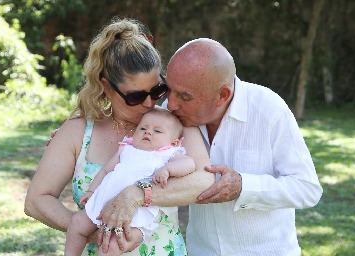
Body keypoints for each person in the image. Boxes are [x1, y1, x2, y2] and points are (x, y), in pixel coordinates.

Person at [95, 38, 323, 255]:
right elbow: (131, 136)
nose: (171, 104)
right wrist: (75, 133)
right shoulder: (171, 115)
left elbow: (307, 189)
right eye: (169, 90)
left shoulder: (269, 110)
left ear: (222, 95)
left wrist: (244, 186)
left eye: (184, 96)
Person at [24, 17, 213, 256]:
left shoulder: (175, 124)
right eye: (135, 96)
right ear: (106, 86)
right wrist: (86, 228)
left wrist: (138, 194)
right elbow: (36, 200)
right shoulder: (78, 130)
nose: (150, 103)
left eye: (157, 90)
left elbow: (203, 181)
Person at [65, 108, 195, 256]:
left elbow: (189, 164)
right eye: (143, 128)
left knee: (112, 246)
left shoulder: (167, 153)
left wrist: (168, 170)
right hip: (103, 203)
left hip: (138, 214)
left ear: (174, 142)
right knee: (76, 222)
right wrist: (91, 191)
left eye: (157, 131)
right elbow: (105, 171)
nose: (148, 132)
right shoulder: (126, 149)